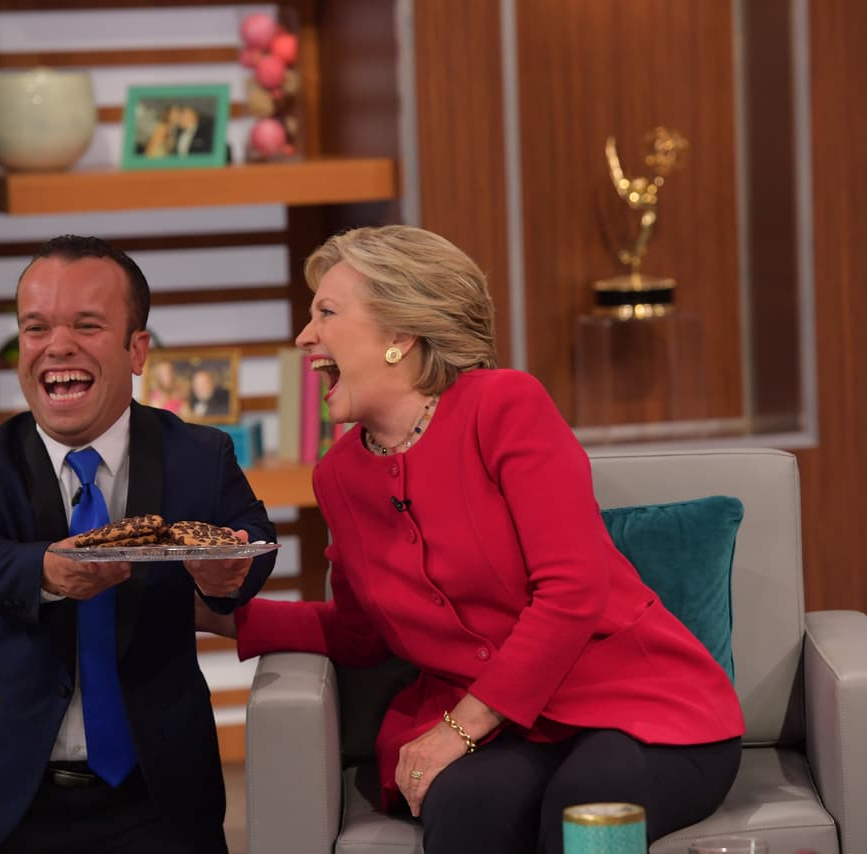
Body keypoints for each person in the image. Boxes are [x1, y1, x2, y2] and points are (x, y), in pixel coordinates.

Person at [197, 225, 743, 853]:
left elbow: (573, 589)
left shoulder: (503, 406)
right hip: (505, 730)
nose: (305, 337)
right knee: (465, 808)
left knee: (584, 813)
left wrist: (459, 730)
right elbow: (358, 634)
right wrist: (210, 613)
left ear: (401, 335)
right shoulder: (339, 476)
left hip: (636, 703)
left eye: (326, 312)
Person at [0, 235, 278, 854]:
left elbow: (252, 545)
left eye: (87, 324)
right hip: (4, 800)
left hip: (157, 798)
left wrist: (226, 582)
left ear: (138, 350)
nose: (57, 346)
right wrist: (50, 572)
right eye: (36, 328)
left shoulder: (200, 455)